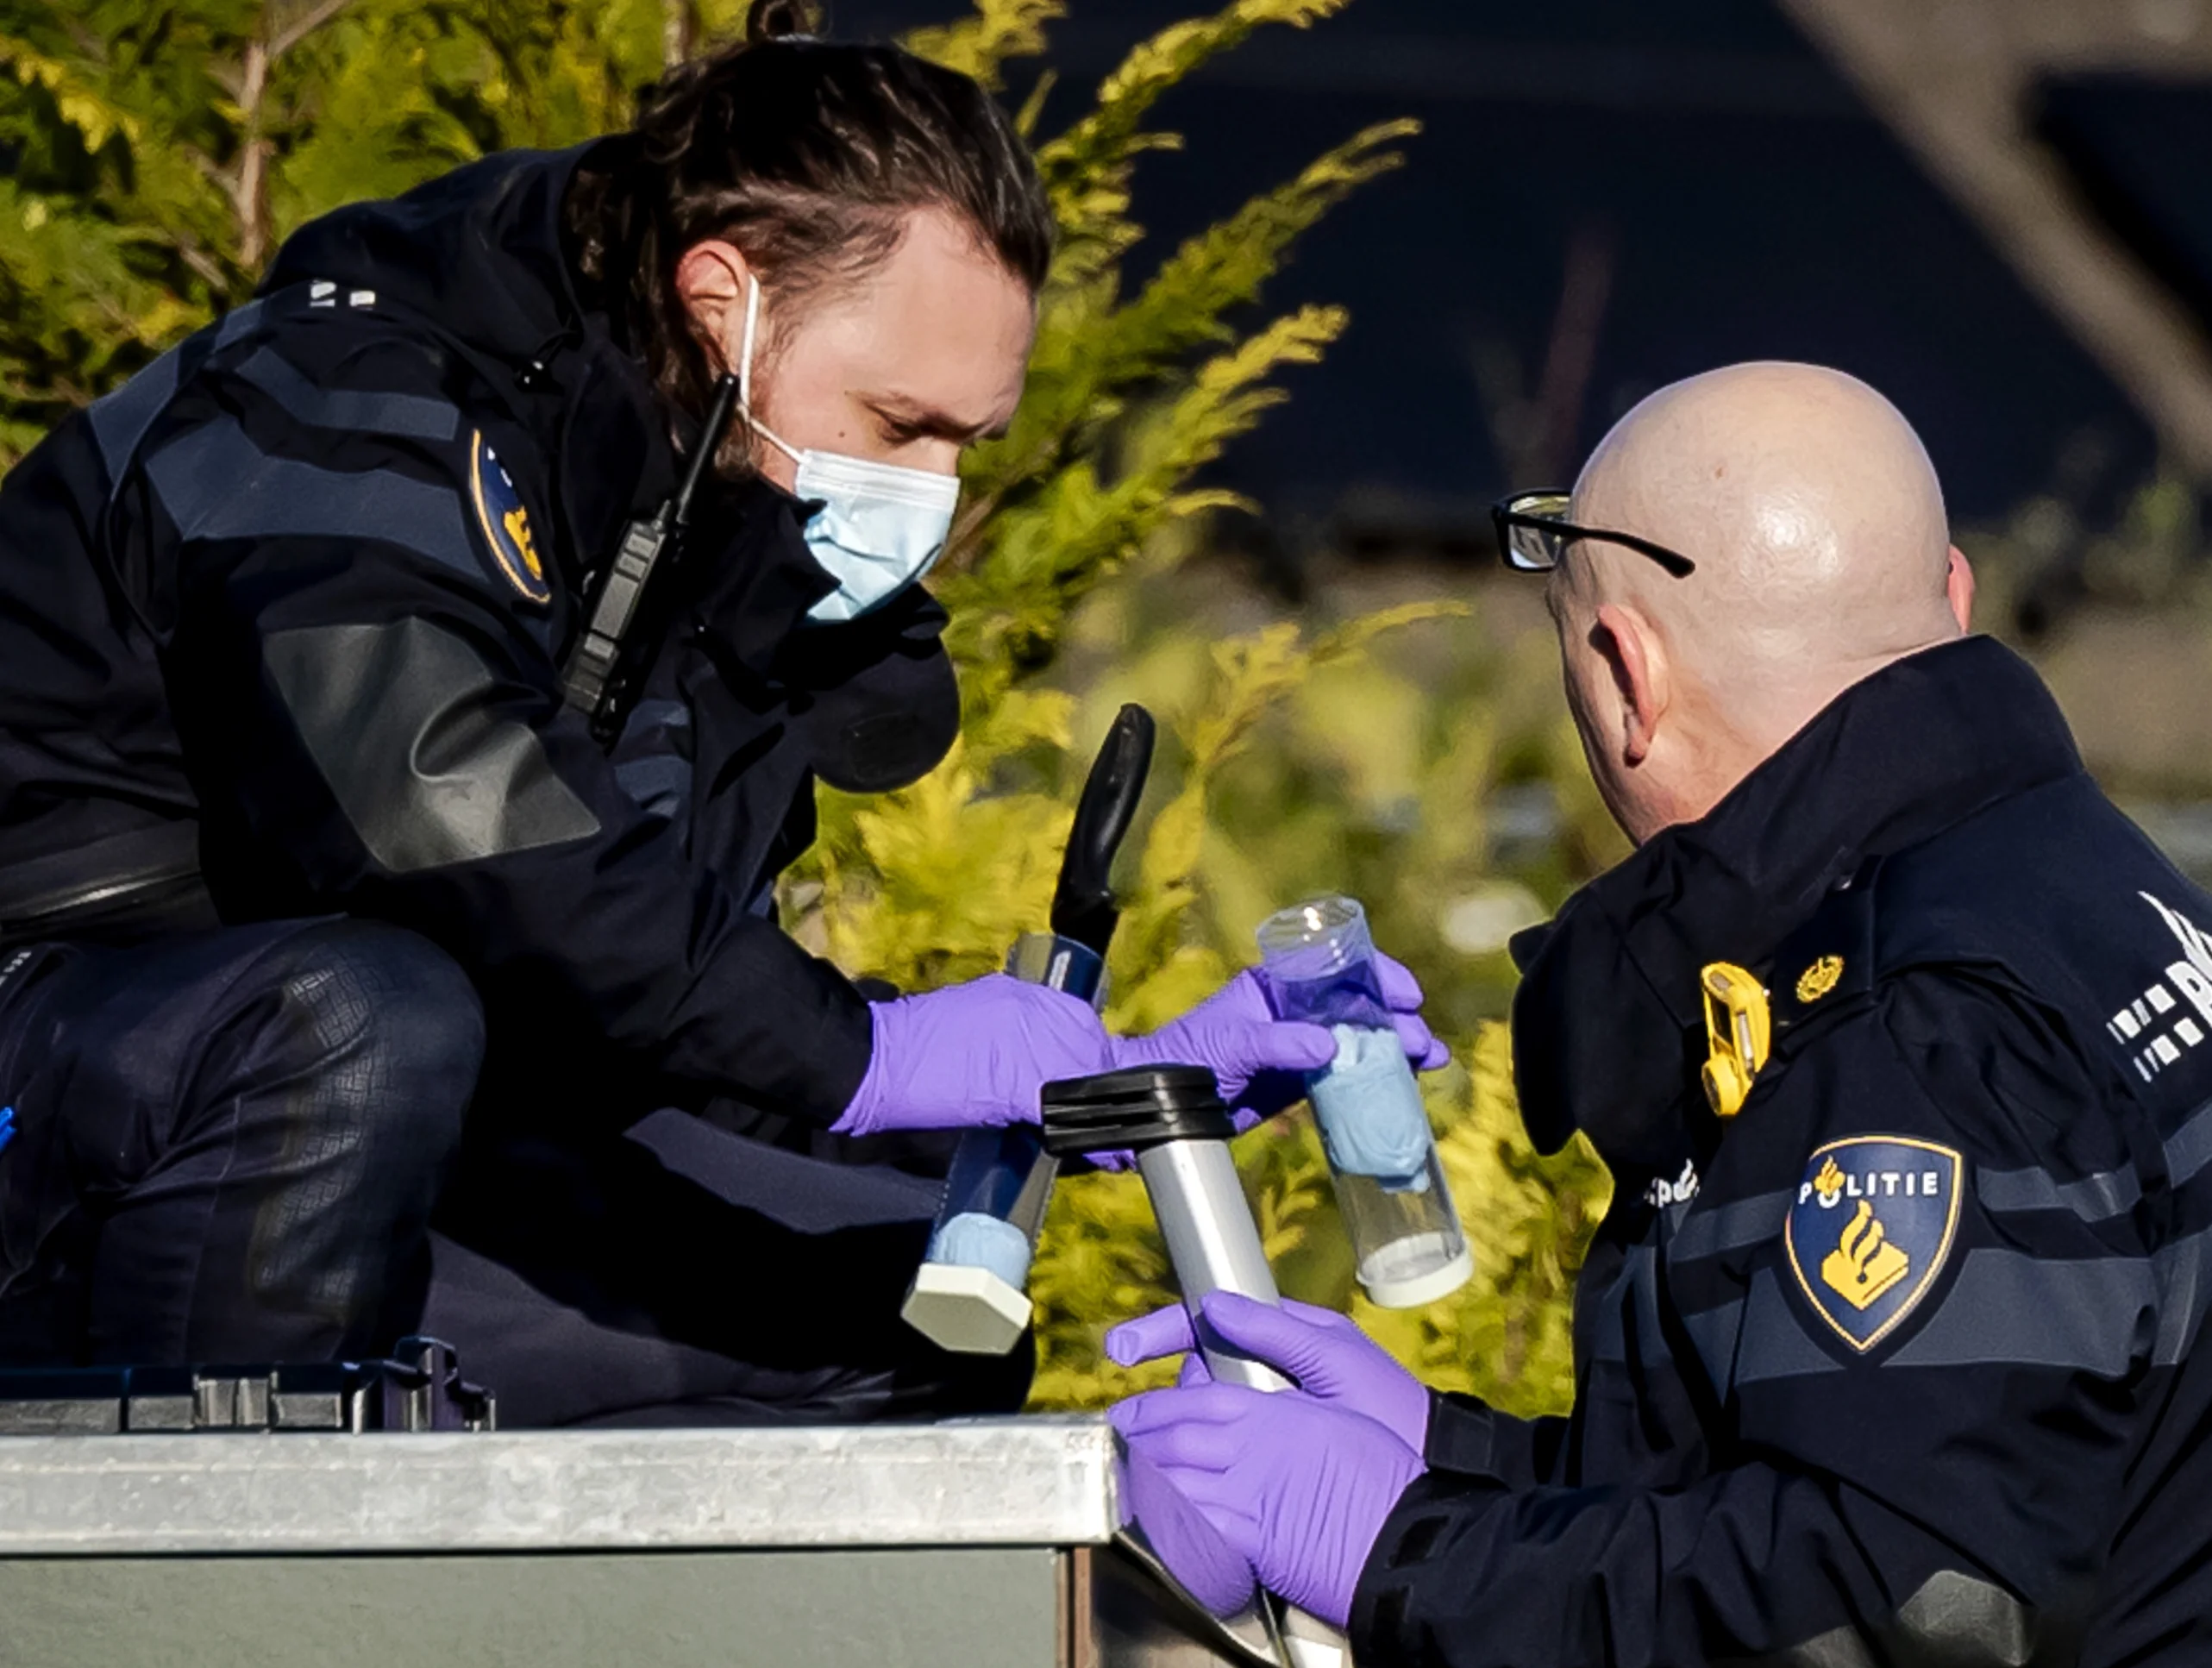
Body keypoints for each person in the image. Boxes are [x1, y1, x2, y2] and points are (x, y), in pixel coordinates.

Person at [0, 6, 1432, 1424]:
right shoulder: (338, 394)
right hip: (73, 1072)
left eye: (965, 442)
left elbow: (655, 995)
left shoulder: (704, 524)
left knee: (898, 1315)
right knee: (361, 1016)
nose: (931, 492)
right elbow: (438, 802)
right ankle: (201, 1601)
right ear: (718, 301)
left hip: (337, 1128)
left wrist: (1093, 1089)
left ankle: (478, 1610)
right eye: (897, 424)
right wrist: (865, 1057)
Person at [1109, 363, 2212, 1668]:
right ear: (1951, 590)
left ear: (1625, 671)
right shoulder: (2138, 927)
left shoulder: (1903, 1019)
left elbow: (1917, 1592)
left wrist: (1404, 1555)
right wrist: (1452, 1464)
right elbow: (1924, 1464)